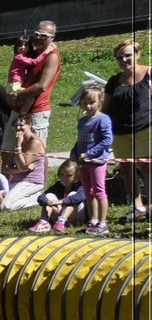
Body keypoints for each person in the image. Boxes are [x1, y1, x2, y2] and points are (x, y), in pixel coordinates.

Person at [105, 38, 150, 222]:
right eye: (120, 57)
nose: (124, 60)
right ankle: (137, 207)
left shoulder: (149, 73)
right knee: (126, 169)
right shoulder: (114, 81)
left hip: (146, 128)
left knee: (147, 168)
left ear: (137, 54)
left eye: (128, 55)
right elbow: (105, 109)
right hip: (120, 132)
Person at [5, 21, 62, 165]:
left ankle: (38, 186)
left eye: (43, 36)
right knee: (7, 151)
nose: (38, 38)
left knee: (34, 158)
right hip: (18, 110)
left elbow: (41, 86)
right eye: (36, 34)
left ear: (52, 38)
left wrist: (16, 95)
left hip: (36, 112)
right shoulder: (31, 52)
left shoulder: (52, 56)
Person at [72, 84, 113, 236]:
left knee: (99, 191)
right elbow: (79, 140)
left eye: (91, 102)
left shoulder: (103, 119)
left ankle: (103, 223)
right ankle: (93, 220)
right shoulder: (82, 121)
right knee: (88, 192)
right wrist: (74, 152)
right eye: (84, 103)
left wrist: (90, 153)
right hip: (83, 163)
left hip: (97, 162)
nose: (88, 106)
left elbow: (107, 140)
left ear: (100, 101)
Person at [0, 113, 50, 212]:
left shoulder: (35, 142)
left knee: (6, 206)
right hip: (16, 181)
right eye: (16, 126)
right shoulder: (19, 140)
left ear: (29, 125)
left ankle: (36, 199)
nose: (18, 128)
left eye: (21, 125)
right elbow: (6, 168)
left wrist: (18, 146)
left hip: (31, 181)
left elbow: (22, 165)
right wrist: (18, 170)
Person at [29, 158, 85, 233]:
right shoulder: (59, 185)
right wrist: (48, 203)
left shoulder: (81, 185)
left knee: (73, 195)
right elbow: (41, 197)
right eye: (62, 175)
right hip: (58, 214)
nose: (64, 178)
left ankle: (61, 222)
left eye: (69, 175)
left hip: (77, 218)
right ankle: (44, 222)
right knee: (49, 195)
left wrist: (59, 202)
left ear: (76, 176)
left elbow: (80, 197)